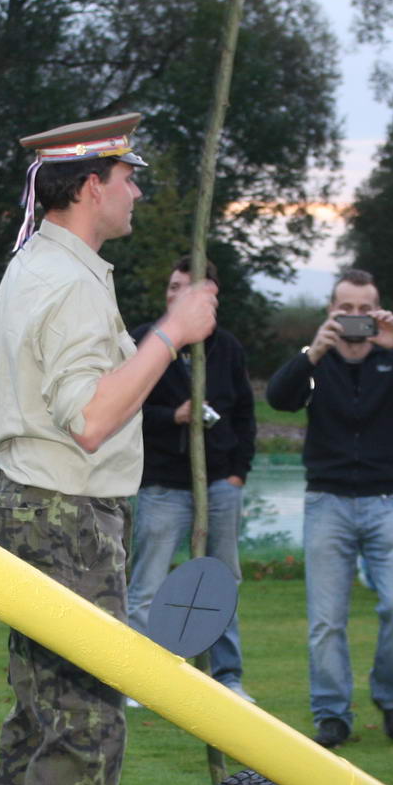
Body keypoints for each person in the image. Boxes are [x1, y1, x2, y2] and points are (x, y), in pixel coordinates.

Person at [0, 113, 216, 785]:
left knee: (37, 717)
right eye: (128, 177)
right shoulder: (72, 283)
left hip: (29, 505)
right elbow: (90, 419)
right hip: (66, 515)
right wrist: (171, 333)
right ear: (88, 186)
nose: (137, 192)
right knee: (84, 724)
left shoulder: (34, 266)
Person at [266, 270, 393, 749]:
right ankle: (332, 713)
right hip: (328, 503)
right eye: (346, 308)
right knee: (326, 620)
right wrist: (312, 351)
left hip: (390, 503)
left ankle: (391, 696)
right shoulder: (316, 362)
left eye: (366, 309)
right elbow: (279, 398)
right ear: (331, 311)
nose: (356, 317)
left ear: (379, 311)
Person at [124, 256, 258, 697]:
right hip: (164, 483)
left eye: (186, 288)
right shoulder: (146, 342)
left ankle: (227, 677)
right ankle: (140, 677)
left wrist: (238, 473)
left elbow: (244, 413)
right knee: (148, 581)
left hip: (219, 482)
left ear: (210, 296)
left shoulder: (227, 348)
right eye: (172, 287)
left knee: (222, 580)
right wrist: (173, 416)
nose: (175, 295)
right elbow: (125, 407)